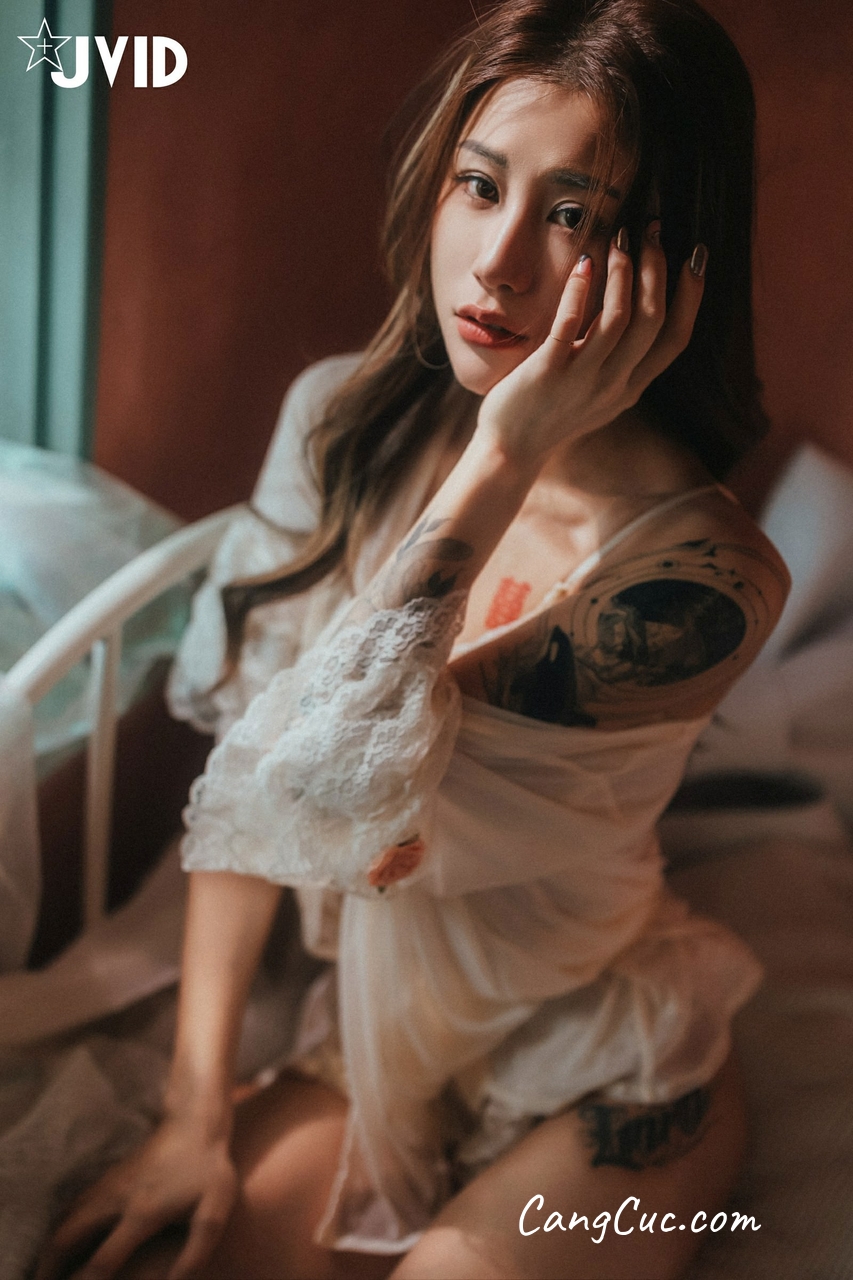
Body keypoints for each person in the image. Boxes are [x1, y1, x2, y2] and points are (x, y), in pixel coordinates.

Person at [38, 1, 791, 1277]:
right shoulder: (339, 423)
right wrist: (191, 1115)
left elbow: (332, 775)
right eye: (479, 186)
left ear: (669, 265)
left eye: (572, 215)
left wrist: (507, 449)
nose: (496, 263)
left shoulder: (702, 580)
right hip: (364, 1041)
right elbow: (251, 805)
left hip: (600, 1059)